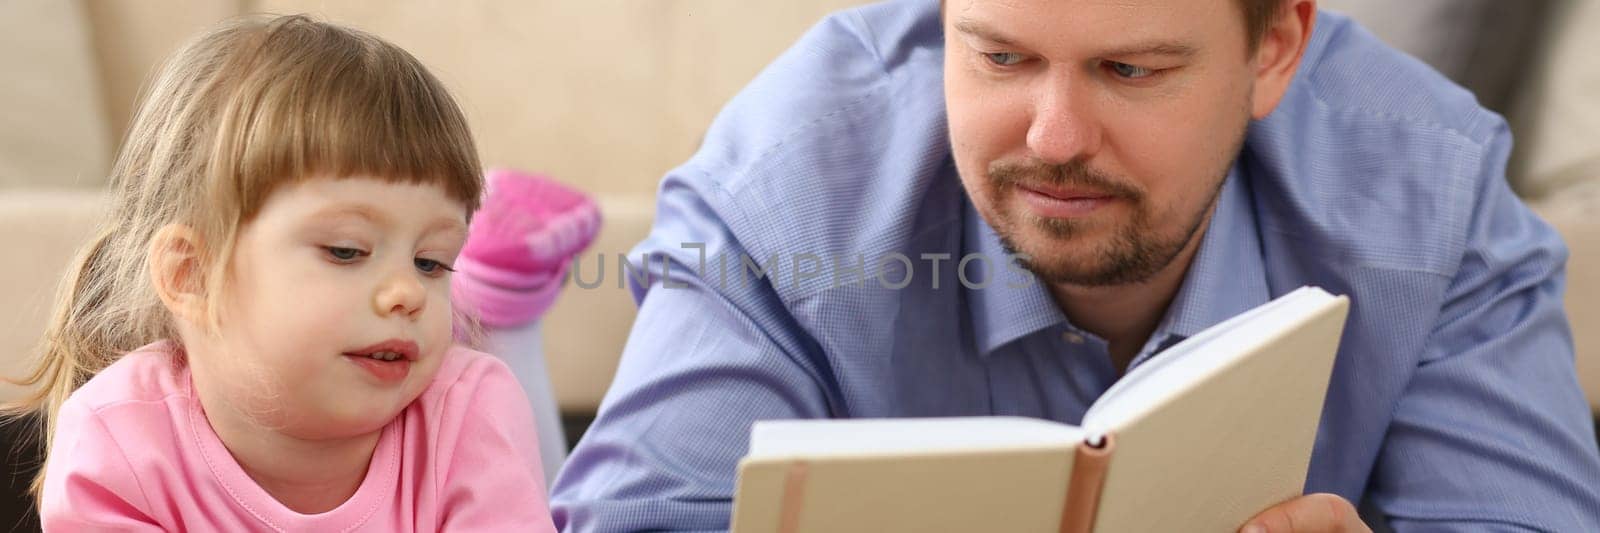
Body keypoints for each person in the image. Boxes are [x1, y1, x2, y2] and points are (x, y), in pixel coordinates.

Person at [550, 0, 1600, 531]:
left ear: (1274, 48)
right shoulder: (781, 192)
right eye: (999, 55)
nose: (1052, 136)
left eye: (1127, 70)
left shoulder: (1433, 194)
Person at [5, 15, 557, 531]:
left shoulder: (469, 412)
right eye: (346, 251)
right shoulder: (118, 440)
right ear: (191, 275)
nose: (407, 292)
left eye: (431, 262)